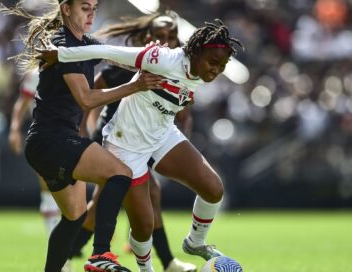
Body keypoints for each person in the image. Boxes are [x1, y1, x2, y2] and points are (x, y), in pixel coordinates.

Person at [39, 18, 243, 272]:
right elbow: (107, 52)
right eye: (213, 63)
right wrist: (61, 54)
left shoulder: (201, 71)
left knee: (213, 189)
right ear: (196, 51)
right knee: (144, 227)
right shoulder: (161, 59)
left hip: (162, 134)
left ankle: (195, 242)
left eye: (222, 67)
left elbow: (179, 94)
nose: (216, 71)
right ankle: (146, 269)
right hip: (126, 145)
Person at [2, 1, 164, 272]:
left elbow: (114, 55)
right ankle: (101, 254)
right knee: (120, 174)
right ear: (66, 9)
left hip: (46, 143)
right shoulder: (62, 43)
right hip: (53, 140)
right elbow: (87, 99)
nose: (92, 13)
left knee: (74, 218)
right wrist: (135, 86)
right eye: (85, 7)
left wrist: (149, 54)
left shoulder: (84, 43)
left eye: (95, 7)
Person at [69, 12, 196, 272]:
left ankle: (165, 261)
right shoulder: (123, 67)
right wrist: (84, 129)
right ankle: (70, 253)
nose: (166, 41)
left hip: (146, 141)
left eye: (171, 37)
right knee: (103, 205)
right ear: (147, 38)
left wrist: (180, 143)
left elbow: (184, 115)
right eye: (160, 36)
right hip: (114, 138)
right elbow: (90, 96)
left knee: (151, 194)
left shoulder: (177, 70)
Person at [8, 69, 73, 272]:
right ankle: (60, 255)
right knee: (49, 190)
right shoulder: (36, 73)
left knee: (70, 196)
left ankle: (70, 249)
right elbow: (23, 102)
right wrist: (14, 128)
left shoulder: (76, 65)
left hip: (71, 132)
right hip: (44, 134)